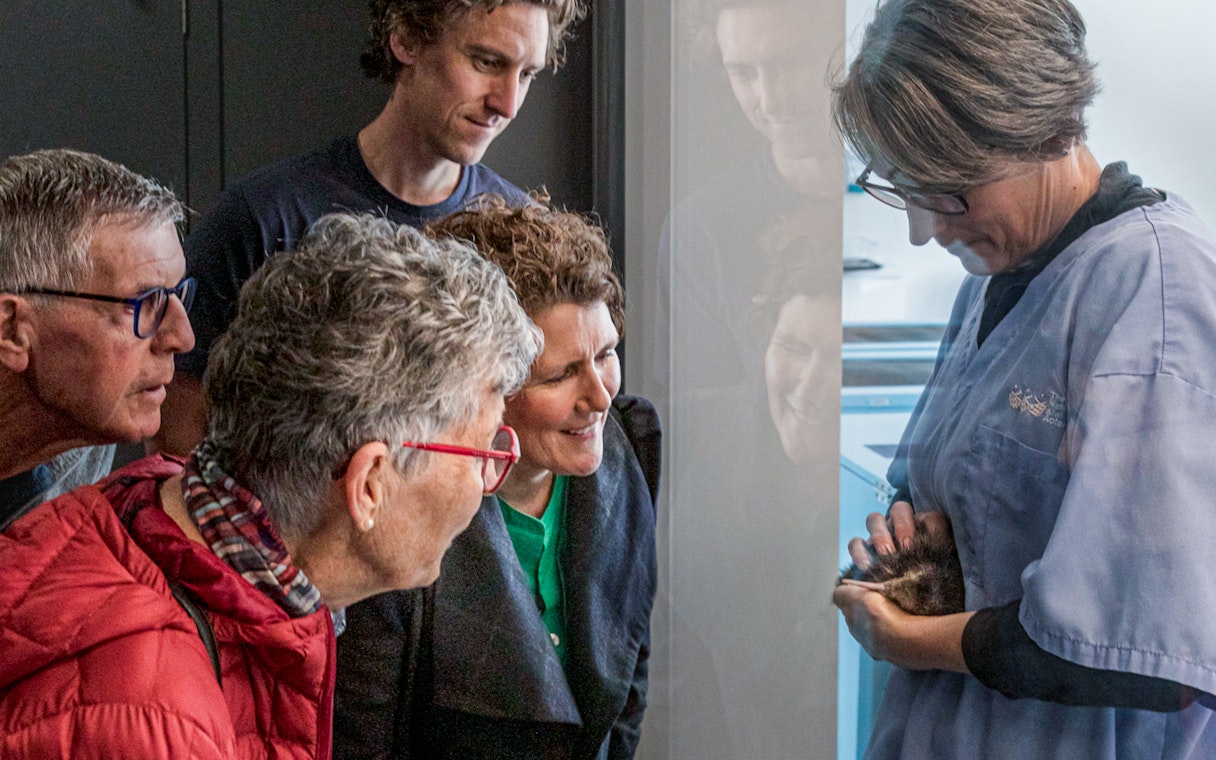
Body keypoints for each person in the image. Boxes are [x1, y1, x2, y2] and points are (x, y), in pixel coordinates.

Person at [0, 212, 541, 759]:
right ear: (369, 485)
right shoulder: (156, 723)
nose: (488, 484)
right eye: (485, 453)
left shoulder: (155, 501)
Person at [832, 0, 1216, 757]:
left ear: (1040, 130)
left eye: (946, 187)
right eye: (904, 186)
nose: (923, 228)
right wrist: (921, 553)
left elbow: (1143, 655)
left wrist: (908, 637)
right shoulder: (993, 275)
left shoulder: (1157, 290)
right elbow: (949, 495)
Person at [156, 0, 587, 455]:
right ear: (406, 38)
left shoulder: (520, 234)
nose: (508, 103)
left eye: (527, 75)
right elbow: (177, 440)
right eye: (486, 62)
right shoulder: (265, 218)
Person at [334, 198, 660, 759]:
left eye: (606, 353)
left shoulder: (629, 448)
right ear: (477, 385)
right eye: (560, 375)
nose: (600, 398)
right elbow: (364, 743)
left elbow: (625, 696)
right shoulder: (394, 510)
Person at [0, 148, 193, 527]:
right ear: (11, 329)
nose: (181, 337)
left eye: (177, 295)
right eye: (143, 303)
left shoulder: (80, 426)